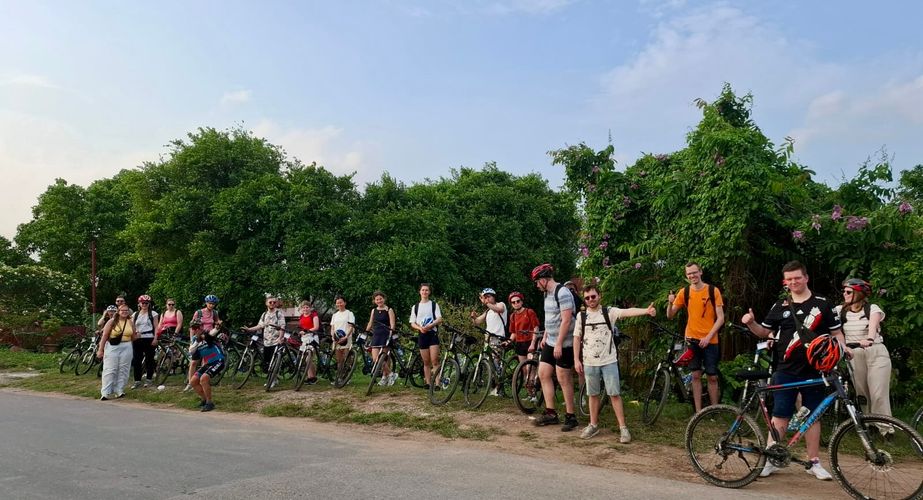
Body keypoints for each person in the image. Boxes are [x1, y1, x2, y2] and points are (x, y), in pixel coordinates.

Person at [741, 260, 846, 480]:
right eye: (789, 279)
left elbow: (837, 334)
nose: (793, 282)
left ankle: (814, 462)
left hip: (815, 370)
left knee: (812, 416)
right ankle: (771, 459)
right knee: (780, 416)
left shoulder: (823, 304)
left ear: (806, 278)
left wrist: (843, 351)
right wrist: (751, 323)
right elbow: (763, 332)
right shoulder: (780, 306)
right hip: (785, 369)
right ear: (784, 282)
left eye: (797, 277)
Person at [574, 285, 656, 442]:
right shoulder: (581, 316)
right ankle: (593, 425)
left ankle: (623, 428)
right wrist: (576, 360)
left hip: (609, 360)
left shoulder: (608, 312)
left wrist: (646, 310)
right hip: (589, 361)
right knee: (593, 394)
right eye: (587, 297)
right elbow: (576, 338)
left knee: (614, 394)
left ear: (600, 296)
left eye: (593, 296)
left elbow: (626, 312)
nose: (591, 300)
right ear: (584, 299)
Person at [665, 262, 725, 412]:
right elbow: (670, 315)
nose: (692, 276)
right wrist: (670, 302)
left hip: (711, 340)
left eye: (694, 272)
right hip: (692, 339)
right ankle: (698, 412)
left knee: (712, 376)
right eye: (689, 274)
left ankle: (714, 410)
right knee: (695, 375)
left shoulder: (713, 291)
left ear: (700, 272)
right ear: (686, 276)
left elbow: (721, 318)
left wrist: (708, 336)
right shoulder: (684, 292)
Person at [834, 278, 892, 427]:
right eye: (844, 291)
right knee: (862, 393)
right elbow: (826, 319)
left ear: (859, 294)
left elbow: (873, 325)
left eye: (848, 292)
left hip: (875, 351)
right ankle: (869, 425)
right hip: (854, 354)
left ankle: (886, 429)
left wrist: (870, 338)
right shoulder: (840, 311)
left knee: (878, 393)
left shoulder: (872, 308)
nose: (845, 294)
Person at [530, 263, 579, 431]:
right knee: (543, 373)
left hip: (564, 343)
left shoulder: (563, 293)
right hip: (550, 341)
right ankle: (551, 413)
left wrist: (558, 343)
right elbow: (550, 317)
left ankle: (570, 416)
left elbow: (566, 320)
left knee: (563, 377)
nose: (536, 285)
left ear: (544, 279)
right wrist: (545, 336)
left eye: (537, 282)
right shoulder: (547, 294)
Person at [470, 288, 508, 396]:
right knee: (489, 362)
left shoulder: (501, 304)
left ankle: (500, 388)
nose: (487, 299)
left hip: (498, 338)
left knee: (496, 362)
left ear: (493, 296)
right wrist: (473, 318)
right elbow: (477, 322)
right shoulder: (488, 311)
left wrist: (486, 303)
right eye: (485, 297)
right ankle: (494, 386)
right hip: (488, 338)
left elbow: (499, 309)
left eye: (488, 296)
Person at [97, 304, 138, 400]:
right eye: (122, 310)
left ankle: (119, 389)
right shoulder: (112, 322)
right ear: (118, 312)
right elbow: (105, 336)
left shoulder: (130, 322)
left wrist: (137, 335)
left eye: (126, 310)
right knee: (110, 369)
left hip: (126, 345)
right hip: (113, 346)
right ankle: (106, 392)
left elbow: (133, 336)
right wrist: (100, 349)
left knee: (124, 369)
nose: (124, 312)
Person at [244, 296, 286, 388]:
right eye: (270, 302)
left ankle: (272, 380)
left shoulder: (279, 313)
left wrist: (280, 338)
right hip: (266, 341)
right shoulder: (264, 314)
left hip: (276, 341)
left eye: (274, 302)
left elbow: (282, 326)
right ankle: (274, 378)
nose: (272, 304)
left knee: (273, 361)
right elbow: (260, 325)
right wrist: (249, 329)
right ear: (266, 303)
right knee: (267, 362)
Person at [410, 283, 442, 389]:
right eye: (423, 290)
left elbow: (439, 318)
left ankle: (437, 383)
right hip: (422, 334)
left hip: (432, 333)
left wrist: (431, 325)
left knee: (435, 360)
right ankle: (428, 383)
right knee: (426, 361)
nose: (424, 292)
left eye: (426, 290)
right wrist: (420, 328)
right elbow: (412, 322)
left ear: (429, 292)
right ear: (420, 292)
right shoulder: (415, 307)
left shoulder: (434, 305)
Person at [186, 295, 221, 391]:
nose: (211, 305)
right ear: (206, 303)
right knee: (193, 362)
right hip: (198, 337)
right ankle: (190, 383)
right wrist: (191, 340)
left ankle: (203, 380)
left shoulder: (214, 313)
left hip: (209, 337)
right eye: (210, 303)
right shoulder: (199, 312)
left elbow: (217, 322)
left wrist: (219, 324)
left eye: (213, 304)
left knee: (206, 361)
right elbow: (192, 326)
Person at [188, 320, 224, 412]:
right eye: (194, 328)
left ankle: (209, 402)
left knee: (204, 378)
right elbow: (191, 351)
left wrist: (217, 328)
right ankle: (204, 399)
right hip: (208, 363)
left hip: (218, 360)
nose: (196, 330)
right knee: (193, 381)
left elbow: (212, 333)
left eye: (198, 327)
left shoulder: (206, 334)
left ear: (201, 327)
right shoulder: (194, 340)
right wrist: (197, 341)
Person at [366, 291, 398, 386]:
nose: (379, 301)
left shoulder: (389, 310)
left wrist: (391, 334)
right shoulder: (373, 311)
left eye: (380, 299)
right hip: (376, 335)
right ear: (374, 301)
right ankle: (391, 374)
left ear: (384, 299)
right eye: (377, 299)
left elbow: (392, 324)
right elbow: (370, 322)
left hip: (385, 334)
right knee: (376, 358)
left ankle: (385, 377)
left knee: (385, 358)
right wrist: (366, 331)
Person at [130, 295, 160, 389]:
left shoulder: (153, 314)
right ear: (139, 304)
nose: (144, 305)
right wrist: (134, 335)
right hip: (138, 338)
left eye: (146, 303)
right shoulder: (135, 314)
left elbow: (156, 327)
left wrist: (156, 338)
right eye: (142, 303)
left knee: (149, 359)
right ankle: (137, 380)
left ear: (149, 304)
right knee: (137, 360)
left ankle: (149, 379)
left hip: (149, 337)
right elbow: (132, 326)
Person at [330, 296, 356, 381]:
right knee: (339, 359)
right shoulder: (335, 315)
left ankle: (347, 377)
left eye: (341, 302)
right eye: (337, 303)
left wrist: (346, 337)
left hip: (346, 338)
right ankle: (339, 377)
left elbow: (351, 326)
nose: (339, 304)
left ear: (345, 303)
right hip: (337, 339)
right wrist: (333, 337)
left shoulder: (349, 313)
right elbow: (332, 327)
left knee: (347, 358)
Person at [298, 300, 323, 385]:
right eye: (304, 307)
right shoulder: (301, 316)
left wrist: (307, 331)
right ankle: (311, 377)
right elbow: (301, 327)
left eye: (307, 307)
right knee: (306, 359)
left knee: (309, 358)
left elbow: (316, 327)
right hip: (304, 338)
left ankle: (312, 377)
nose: (305, 309)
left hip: (313, 337)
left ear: (310, 308)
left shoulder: (314, 315)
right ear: (301, 308)